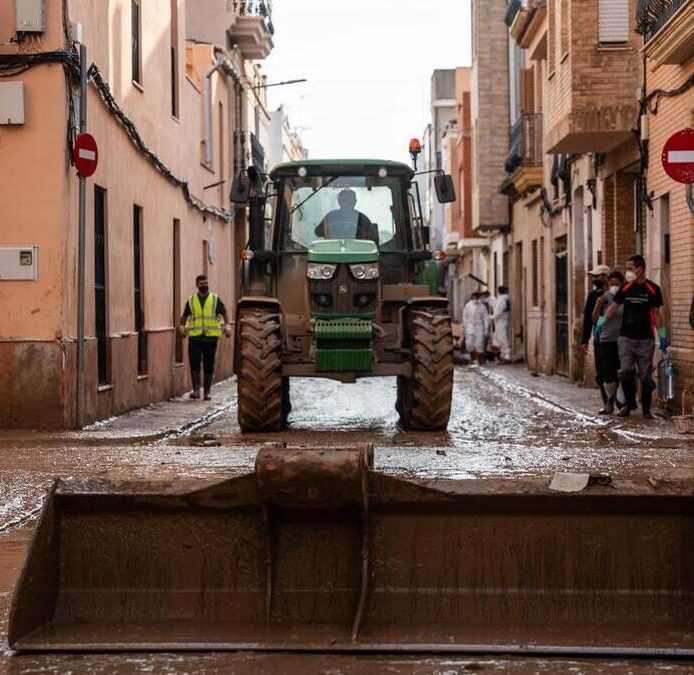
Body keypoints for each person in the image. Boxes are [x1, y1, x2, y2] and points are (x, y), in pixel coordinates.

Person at [599, 254, 667, 418]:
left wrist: (663, 337)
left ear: (640, 269)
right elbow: (613, 307)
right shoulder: (626, 288)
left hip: (646, 339)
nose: (627, 272)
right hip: (626, 338)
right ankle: (629, 405)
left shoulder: (653, 289)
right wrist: (601, 323)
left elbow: (657, 314)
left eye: (630, 268)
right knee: (626, 372)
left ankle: (646, 410)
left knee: (645, 375)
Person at [178, 274, 232, 401]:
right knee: (194, 363)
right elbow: (184, 315)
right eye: (201, 284)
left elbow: (224, 313)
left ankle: (207, 392)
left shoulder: (215, 299)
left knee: (209, 364)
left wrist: (228, 325)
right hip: (195, 337)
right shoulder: (191, 301)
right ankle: (196, 390)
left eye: (206, 283)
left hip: (210, 338)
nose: (204, 286)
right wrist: (181, 326)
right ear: (197, 285)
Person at [591, 271, 624, 415]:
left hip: (623, 340)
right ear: (608, 284)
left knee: (623, 372)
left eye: (617, 284)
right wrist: (598, 306)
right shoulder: (604, 298)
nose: (615, 287)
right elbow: (594, 319)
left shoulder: (625, 298)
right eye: (612, 284)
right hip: (606, 340)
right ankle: (609, 401)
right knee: (608, 374)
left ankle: (622, 403)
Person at [582, 265, 610, 410]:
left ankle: (619, 400)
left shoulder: (615, 295)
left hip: (614, 339)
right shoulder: (593, 296)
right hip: (599, 338)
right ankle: (607, 402)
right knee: (600, 372)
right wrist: (584, 340)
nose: (594, 279)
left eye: (597, 276)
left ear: (605, 277)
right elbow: (587, 318)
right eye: (593, 276)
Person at [315, 189, 379, 243]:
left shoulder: (363, 219)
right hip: (332, 252)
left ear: (354, 202)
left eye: (349, 200)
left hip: (358, 252)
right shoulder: (331, 217)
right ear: (339, 201)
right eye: (344, 200)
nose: (346, 203)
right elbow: (318, 232)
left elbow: (373, 237)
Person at [463, 292, 490, 365]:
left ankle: (480, 360)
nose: (475, 300)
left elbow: (486, 317)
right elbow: (465, 316)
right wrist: (465, 326)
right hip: (470, 326)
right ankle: (472, 358)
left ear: (478, 298)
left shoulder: (482, 306)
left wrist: (486, 328)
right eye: (474, 298)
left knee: (479, 343)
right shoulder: (468, 306)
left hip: (479, 326)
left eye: (476, 298)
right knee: (469, 343)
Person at [493, 286, 512, 363]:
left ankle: (507, 355)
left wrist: (492, 317)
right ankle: (503, 355)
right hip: (501, 320)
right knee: (500, 337)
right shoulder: (504, 298)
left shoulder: (502, 299)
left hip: (501, 320)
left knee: (502, 337)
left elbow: (499, 311)